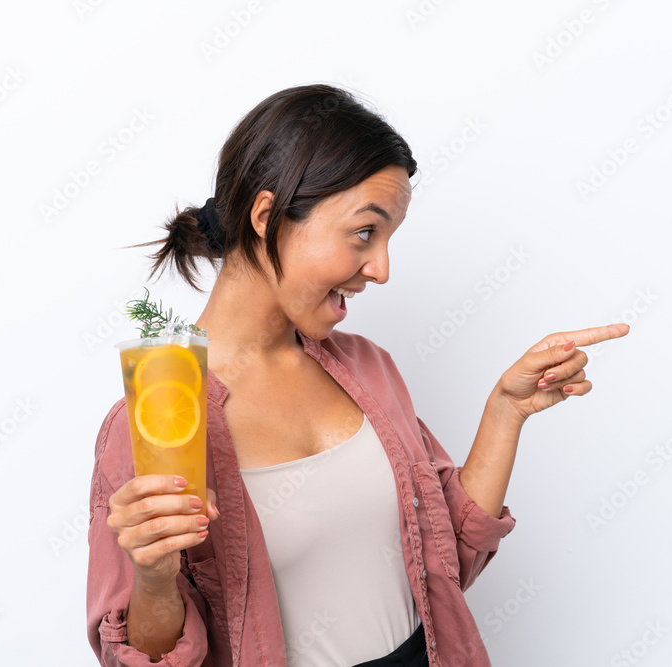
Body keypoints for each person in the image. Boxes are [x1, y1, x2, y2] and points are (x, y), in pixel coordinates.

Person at [86, 83, 629, 667]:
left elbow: (443, 567)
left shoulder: (366, 367)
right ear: (267, 216)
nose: (382, 268)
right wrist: (153, 580)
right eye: (365, 232)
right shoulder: (158, 417)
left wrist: (506, 409)